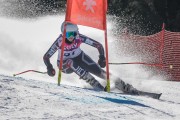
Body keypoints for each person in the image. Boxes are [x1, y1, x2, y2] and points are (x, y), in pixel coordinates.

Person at [43, 22, 138, 94]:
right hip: (64, 65)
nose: (72, 37)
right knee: (70, 61)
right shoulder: (59, 41)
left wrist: (102, 57)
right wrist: (49, 67)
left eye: (74, 34)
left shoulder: (79, 37)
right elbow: (46, 57)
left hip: (79, 57)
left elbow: (99, 45)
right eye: (68, 34)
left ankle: (123, 86)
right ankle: (96, 85)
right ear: (64, 34)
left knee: (98, 71)